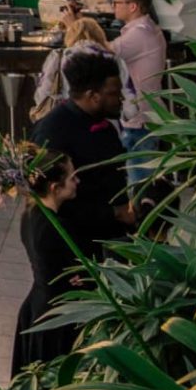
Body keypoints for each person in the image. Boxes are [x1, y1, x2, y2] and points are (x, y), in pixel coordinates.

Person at [29, 51, 134, 256]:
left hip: (110, 238)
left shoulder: (107, 128)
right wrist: (113, 213)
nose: (121, 99)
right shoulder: (52, 132)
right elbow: (49, 200)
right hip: (76, 245)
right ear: (93, 96)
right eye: (113, 93)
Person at [12, 155, 85, 370]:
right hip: (57, 318)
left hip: (36, 306)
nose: (77, 181)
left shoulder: (30, 214)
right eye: (72, 178)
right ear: (55, 187)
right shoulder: (57, 228)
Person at [107, 0, 166, 183]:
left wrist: (76, 26)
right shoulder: (148, 28)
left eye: (116, 2)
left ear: (133, 6)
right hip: (147, 116)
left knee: (139, 183)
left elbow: (102, 52)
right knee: (142, 180)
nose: (112, 7)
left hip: (139, 120)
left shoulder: (139, 34)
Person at [32, 10, 115, 118]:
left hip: (68, 118)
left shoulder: (59, 56)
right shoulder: (112, 58)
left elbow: (43, 92)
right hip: (105, 120)